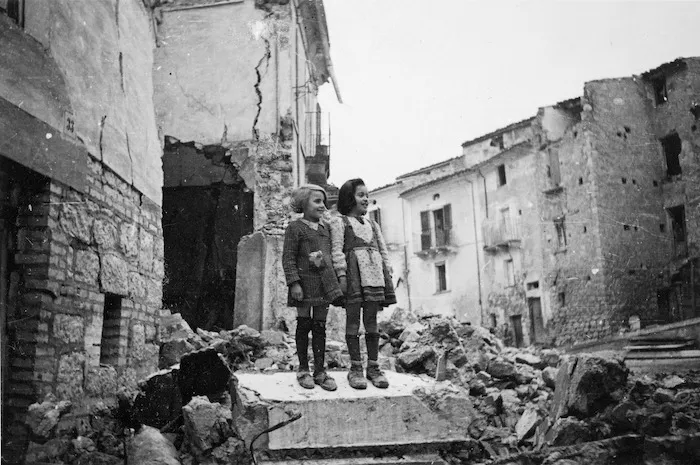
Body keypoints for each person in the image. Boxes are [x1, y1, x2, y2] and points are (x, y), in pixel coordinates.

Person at [330, 178, 396, 389]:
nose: (366, 199)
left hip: (374, 276)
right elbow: (336, 250)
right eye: (361, 195)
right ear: (349, 198)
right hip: (354, 276)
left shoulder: (373, 224)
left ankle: (374, 367)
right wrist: (341, 275)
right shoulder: (340, 223)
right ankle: (356, 368)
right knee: (352, 320)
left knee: (371, 321)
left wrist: (387, 271)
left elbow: (383, 249)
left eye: (367, 195)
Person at [282, 184, 343, 391]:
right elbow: (288, 258)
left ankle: (320, 371)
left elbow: (327, 257)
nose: (322, 205)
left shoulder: (326, 229)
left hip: (323, 286)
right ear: (302, 204)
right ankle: (302, 369)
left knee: (319, 327)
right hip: (304, 285)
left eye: (323, 201)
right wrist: (294, 283)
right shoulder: (295, 228)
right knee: (303, 324)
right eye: (317, 201)